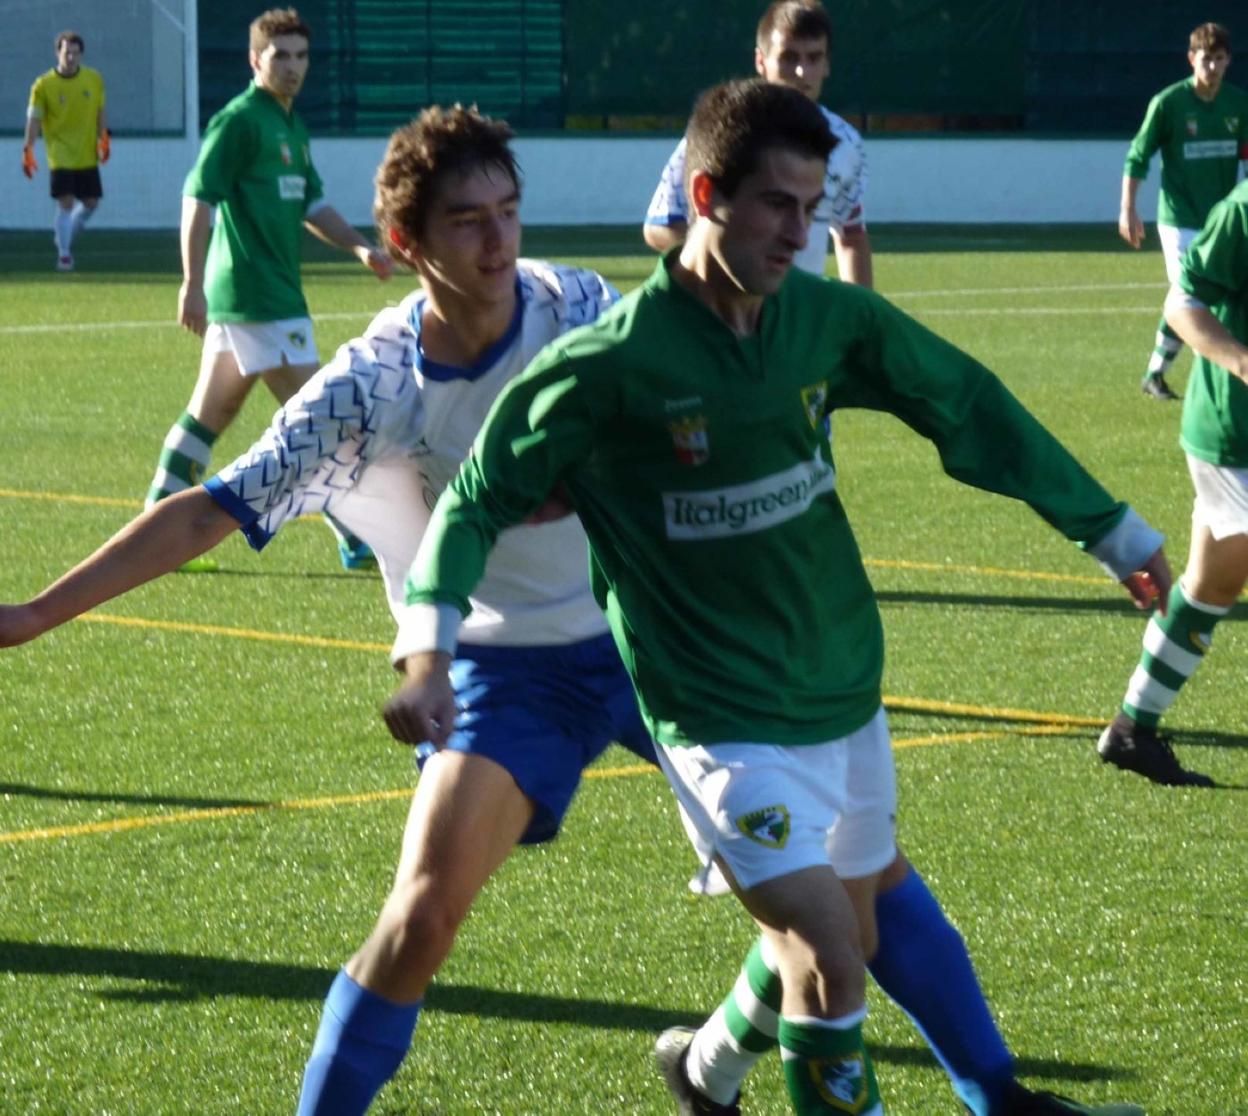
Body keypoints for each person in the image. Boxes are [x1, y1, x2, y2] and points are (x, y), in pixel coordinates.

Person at [387, 79, 1165, 1116]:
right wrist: (428, 649)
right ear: (707, 194)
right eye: (778, 206)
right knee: (829, 956)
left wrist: (1111, 530)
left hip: (841, 691)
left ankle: (705, 1073)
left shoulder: (825, 323)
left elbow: (965, 403)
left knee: (851, 934)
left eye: (813, 206)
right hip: (717, 720)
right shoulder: (606, 369)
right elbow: (475, 504)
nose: (802, 231)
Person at [0, 103, 660, 1116]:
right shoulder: (374, 384)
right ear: (406, 243)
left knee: (827, 873)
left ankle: (729, 1063)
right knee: (424, 921)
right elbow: (210, 511)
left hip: (647, 632)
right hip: (490, 659)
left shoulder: (575, 305)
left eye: (509, 213)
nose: (498, 242)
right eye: (467, 221)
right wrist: (36, 615)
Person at [146, 6, 392, 572]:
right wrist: (191, 282)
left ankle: (156, 520)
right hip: (256, 297)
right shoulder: (239, 121)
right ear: (257, 59)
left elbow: (313, 204)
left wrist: (359, 246)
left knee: (209, 416)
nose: (293, 66)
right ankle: (356, 536)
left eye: (301, 55)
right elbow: (198, 198)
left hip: (269, 297)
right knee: (323, 420)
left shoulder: (291, 126)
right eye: (280, 55)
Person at [1098, 178, 1248, 787]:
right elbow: (1182, 302)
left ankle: (1132, 730)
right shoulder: (1243, 210)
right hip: (1233, 436)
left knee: (1210, 586)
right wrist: (1241, 360)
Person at [644, 0, 871, 286]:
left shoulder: (845, 144)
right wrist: (729, 271)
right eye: (789, 57)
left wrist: (862, 324)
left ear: (827, 65)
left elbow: (850, 235)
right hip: (722, 313)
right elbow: (659, 226)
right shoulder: (722, 129)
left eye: (814, 58)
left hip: (794, 319)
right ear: (761, 61)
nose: (802, 72)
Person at [1119, 21, 1248, 402]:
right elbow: (1138, 156)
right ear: (1191, 59)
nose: (1211, 67)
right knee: (1192, 295)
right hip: (1179, 220)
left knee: (1208, 296)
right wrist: (1128, 208)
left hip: (1220, 222)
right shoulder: (1169, 103)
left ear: (1228, 62)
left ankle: (1156, 374)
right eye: (1205, 59)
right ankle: (1185, 381)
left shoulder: (1238, 105)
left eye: (1219, 60)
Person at [23, 30, 108, 272]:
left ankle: (66, 233)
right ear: (57, 53)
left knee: (91, 203)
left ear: (81, 55)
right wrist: (28, 149)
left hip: (86, 152)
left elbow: (100, 111)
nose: (70, 57)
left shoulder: (94, 80)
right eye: (65, 52)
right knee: (66, 202)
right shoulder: (43, 85)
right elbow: (34, 119)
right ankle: (64, 254)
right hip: (59, 153)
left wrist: (104, 139)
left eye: (75, 53)